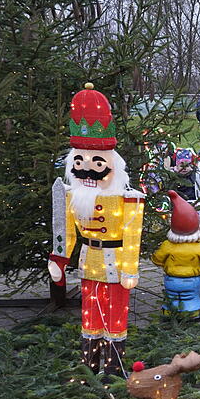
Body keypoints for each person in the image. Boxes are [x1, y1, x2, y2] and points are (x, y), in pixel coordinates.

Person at [48, 83, 145, 379]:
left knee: (115, 314)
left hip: (116, 264)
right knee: (90, 312)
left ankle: (114, 368)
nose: (86, 168)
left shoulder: (128, 198)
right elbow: (66, 229)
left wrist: (130, 269)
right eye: (78, 161)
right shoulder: (72, 195)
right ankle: (89, 364)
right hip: (89, 261)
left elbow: (132, 235)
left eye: (95, 162)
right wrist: (59, 259)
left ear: (112, 165)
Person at [151, 191, 200, 320]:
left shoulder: (167, 245)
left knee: (172, 296)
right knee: (192, 296)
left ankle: (169, 311)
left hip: (171, 279)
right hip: (192, 280)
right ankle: (192, 312)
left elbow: (156, 259)